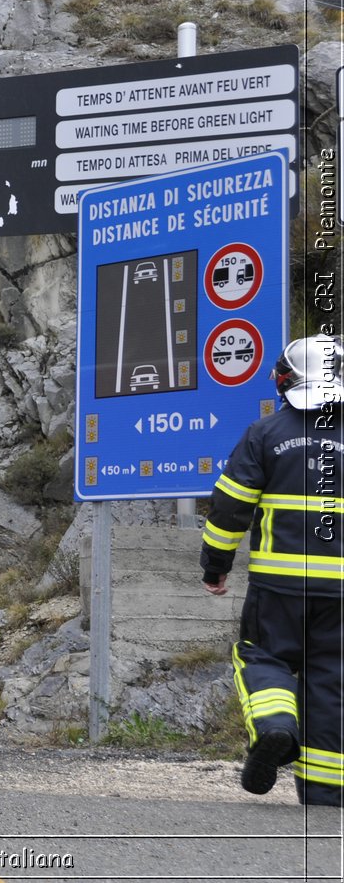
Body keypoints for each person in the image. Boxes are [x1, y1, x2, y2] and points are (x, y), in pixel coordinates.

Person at [201, 333, 343, 807]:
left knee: (262, 657)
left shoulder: (265, 435)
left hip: (278, 588)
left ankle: (275, 726)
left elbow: (229, 510)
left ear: (285, 381)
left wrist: (215, 567)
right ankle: (325, 794)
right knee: (330, 680)